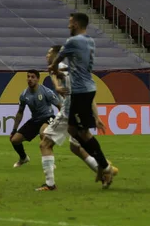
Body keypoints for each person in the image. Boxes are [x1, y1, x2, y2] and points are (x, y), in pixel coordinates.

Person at [49, 13, 119, 189]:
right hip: (86, 88)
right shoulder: (90, 41)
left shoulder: (72, 42)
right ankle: (102, 166)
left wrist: (52, 69)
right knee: (73, 129)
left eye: (70, 23)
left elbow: (56, 61)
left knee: (84, 134)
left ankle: (105, 167)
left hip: (80, 91)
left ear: (77, 24)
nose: (68, 26)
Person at [37, 46, 117, 191]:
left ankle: (50, 184)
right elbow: (90, 96)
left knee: (45, 144)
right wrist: (96, 116)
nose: (46, 55)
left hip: (68, 112)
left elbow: (55, 73)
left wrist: (57, 86)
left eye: (49, 53)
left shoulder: (60, 66)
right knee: (76, 147)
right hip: (80, 110)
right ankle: (106, 169)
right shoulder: (79, 73)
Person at [10, 70, 61, 169]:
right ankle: (23, 158)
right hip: (35, 120)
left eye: (33, 77)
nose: (30, 79)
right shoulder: (24, 95)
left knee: (44, 134)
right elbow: (20, 112)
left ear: (38, 79)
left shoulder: (46, 92)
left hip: (48, 117)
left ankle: (50, 161)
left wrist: (60, 121)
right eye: (28, 77)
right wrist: (14, 130)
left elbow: (60, 106)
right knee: (14, 140)